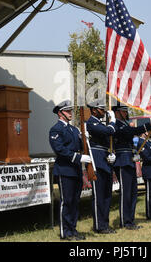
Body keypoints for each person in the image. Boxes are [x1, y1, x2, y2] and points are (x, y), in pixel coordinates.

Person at [112, 103, 151, 230]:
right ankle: (125, 221)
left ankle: (130, 220)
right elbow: (132, 131)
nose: (126, 114)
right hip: (122, 161)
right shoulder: (116, 125)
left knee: (133, 192)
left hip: (129, 160)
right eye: (123, 111)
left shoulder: (124, 124)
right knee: (126, 192)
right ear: (117, 113)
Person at [49, 100, 90, 241]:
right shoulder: (56, 129)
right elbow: (60, 149)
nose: (70, 113)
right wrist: (78, 157)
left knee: (74, 201)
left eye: (71, 111)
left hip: (75, 169)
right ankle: (65, 232)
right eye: (68, 111)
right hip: (65, 169)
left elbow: (81, 145)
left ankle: (72, 229)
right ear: (60, 113)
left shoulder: (74, 129)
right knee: (66, 201)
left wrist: (85, 137)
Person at [85, 101, 117, 234]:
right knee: (99, 196)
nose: (104, 111)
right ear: (93, 111)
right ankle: (99, 226)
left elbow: (110, 140)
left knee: (107, 196)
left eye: (104, 109)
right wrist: (113, 121)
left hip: (105, 162)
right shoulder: (91, 123)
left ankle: (105, 224)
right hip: (97, 163)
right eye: (101, 109)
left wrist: (112, 154)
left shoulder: (99, 123)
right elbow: (108, 131)